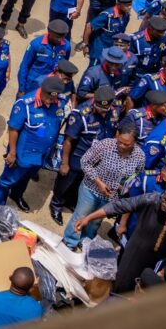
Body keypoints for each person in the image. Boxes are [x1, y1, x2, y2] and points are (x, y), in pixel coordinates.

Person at [76, 180, 166, 291]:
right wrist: (88, 218)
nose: (164, 204)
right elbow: (118, 206)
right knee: (122, 285)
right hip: (135, 253)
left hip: (161, 263)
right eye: (164, 200)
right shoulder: (151, 200)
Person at [62, 122, 145, 250]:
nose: (122, 146)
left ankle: (85, 242)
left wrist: (123, 187)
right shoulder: (105, 145)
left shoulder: (139, 156)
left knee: (95, 221)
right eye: (120, 142)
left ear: (134, 142)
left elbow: (136, 176)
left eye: (126, 144)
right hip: (91, 189)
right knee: (81, 215)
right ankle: (69, 242)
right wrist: (98, 182)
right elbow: (85, 162)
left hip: (111, 197)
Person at [0, 75, 67, 211]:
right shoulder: (25, 104)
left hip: (42, 153)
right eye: (48, 97)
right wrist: (12, 152)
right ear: (42, 90)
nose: (50, 101)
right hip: (23, 152)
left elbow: (49, 125)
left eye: (53, 98)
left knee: (26, 177)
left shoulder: (60, 101)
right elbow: (14, 128)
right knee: (6, 181)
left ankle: (17, 195)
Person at [50, 86, 122, 225]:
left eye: (105, 109)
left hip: (96, 160)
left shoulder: (113, 112)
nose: (102, 111)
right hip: (78, 157)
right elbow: (68, 141)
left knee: (79, 183)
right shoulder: (80, 114)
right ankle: (56, 204)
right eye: (100, 107)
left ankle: (70, 201)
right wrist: (65, 163)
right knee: (65, 182)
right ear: (94, 101)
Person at [16, 19, 73, 95]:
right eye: (57, 36)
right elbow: (24, 65)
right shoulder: (36, 44)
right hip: (32, 85)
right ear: (49, 32)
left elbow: (64, 66)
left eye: (62, 37)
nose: (60, 39)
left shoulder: (66, 46)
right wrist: (21, 89)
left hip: (51, 86)